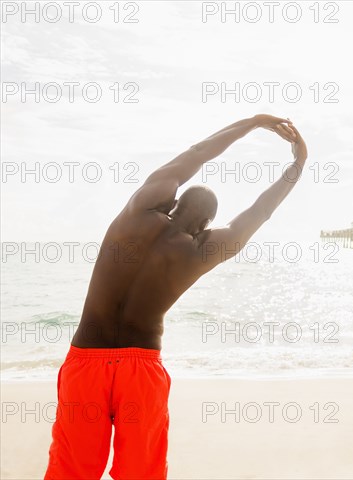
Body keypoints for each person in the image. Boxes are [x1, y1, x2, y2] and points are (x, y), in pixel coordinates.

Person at [44, 114, 308, 480]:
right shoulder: (201, 251)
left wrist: (255, 122)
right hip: (141, 370)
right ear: (205, 226)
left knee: (70, 470)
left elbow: (198, 153)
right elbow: (259, 213)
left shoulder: (139, 209)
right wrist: (297, 164)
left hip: (87, 359)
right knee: (141, 472)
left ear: (175, 201)